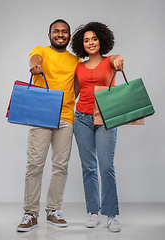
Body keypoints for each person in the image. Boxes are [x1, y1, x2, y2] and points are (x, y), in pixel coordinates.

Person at [17, 19, 81, 232]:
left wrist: (66, 103)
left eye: (64, 32)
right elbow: (34, 59)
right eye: (56, 31)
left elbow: (76, 88)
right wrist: (35, 66)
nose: (60, 34)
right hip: (41, 116)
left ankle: (53, 210)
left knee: (61, 166)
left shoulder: (76, 61)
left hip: (65, 118)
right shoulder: (41, 51)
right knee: (35, 164)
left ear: (69, 36)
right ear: (50, 35)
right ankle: (30, 213)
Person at [71, 22, 124, 232]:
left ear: (101, 40)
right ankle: (93, 212)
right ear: (81, 45)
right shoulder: (79, 67)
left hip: (106, 117)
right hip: (81, 118)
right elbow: (74, 94)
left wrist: (119, 60)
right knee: (88, 167)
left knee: (106, 166)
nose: (90, 42)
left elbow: (119, 58)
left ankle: (111, 215)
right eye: (86, 40)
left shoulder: (111, 61)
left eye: (94, 38)